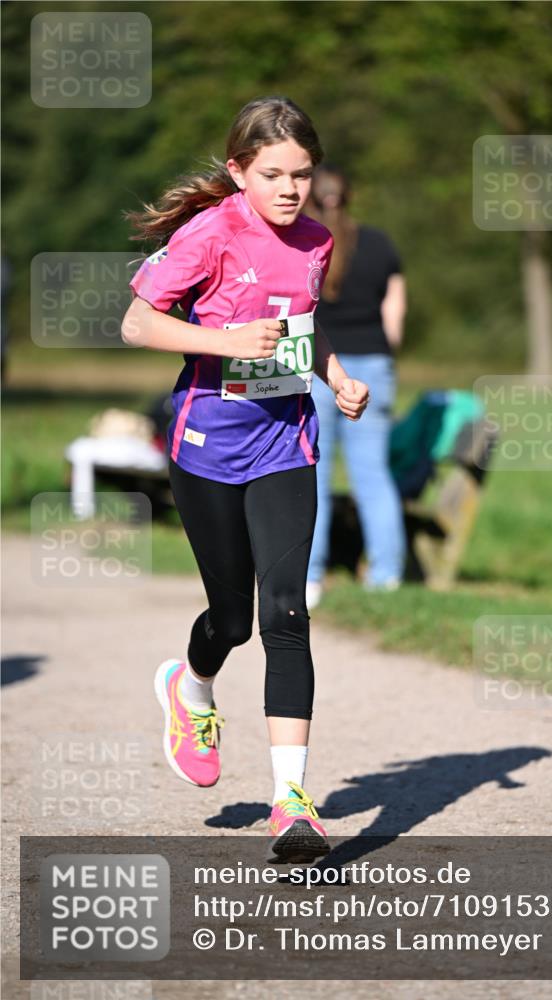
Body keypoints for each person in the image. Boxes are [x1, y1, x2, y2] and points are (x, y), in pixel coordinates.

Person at [121, 96, 369, 863]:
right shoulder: (213, 230)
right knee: (229, 622)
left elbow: (302, 320)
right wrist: (222, 340)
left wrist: (332, 374)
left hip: (285, 441)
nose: (291, 189)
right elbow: (138, 323)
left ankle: (292, 803)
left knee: (284, 612)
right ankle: (190, 689)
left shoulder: (317, 241)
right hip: (206, 443)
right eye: (273, 174)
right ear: (238, 171)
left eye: (302, 173)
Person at [304, 165, 407, 608]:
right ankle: (386, 575)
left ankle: (309, 576)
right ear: (350, 195)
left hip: (318, 366)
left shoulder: (302, 242)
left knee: (312, 472)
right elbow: (395, 322)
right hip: (372, 367)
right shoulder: (381, 244)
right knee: (373, 475)